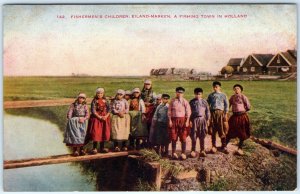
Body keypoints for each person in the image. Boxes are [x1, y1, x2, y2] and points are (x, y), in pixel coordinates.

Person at [226, 84, 251, 156]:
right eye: (235, 89)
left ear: (241, 90)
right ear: (234, 90)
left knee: (242, 132)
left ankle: (240, 148)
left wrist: (243, 111)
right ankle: (224, 146)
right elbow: (228, 105)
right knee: (230, 130)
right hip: (234, 116)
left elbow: (248, 106)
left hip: (242, 116)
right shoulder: (232, 97)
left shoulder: (243, 97)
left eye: (238, 89)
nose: (236, 90)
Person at [168, 87, 191, 160]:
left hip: (182, 120)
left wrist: (187, 121)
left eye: (181, 93)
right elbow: (169, 112)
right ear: (176, 93)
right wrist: (170, 120)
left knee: (183, 136)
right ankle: (173, 153)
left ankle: (183, 153)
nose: (179, 94)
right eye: (178, 92)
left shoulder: (185, 101)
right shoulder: (172, 101)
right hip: (174, 120)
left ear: (183, 94)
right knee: (173, 136)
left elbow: (188, 112)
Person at [85, 88, 111, 154]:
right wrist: (99, 117)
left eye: (101, 93)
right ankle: (95, 148)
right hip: (96, 118)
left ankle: (102, 147)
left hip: (104, 118)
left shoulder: (106, 100)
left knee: (103, 132)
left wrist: (106, 116)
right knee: (96, 132)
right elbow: (93, 110)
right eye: (98, 93)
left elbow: (109, 109)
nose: (99, 94)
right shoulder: (94, 101)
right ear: (96, 94)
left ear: (103, 94)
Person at [207, 81, 229, 154]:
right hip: (212, 113)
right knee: (213, 129)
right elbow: (207, 104)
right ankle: (214, 146)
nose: (215, 88)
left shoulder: (223, 95)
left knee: (221, 129)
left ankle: (224, 146)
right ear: (213, 87)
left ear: (220, 87)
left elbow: (226, 105)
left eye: (217, 87)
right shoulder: (210, 95)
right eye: (214, 87)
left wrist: (225, 113)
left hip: (221, 113)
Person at [189, 88, 210, 158]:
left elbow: (207, 111)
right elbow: (189, 112)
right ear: (194, 94)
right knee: (194, 136)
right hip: (194, 119)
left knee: (202, 135)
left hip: (202, 119)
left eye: (199, 94)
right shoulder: (192, 102)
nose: (198, 95)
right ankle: (193, 150)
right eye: (196, 94)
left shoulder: (204, 102)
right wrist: (190, 120)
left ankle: (202, 150)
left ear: (201, 94)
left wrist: (208, 120)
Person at [141, 79, 156, 147]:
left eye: (148, 84)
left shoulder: (153, 93)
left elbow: (155, 101)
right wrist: (144, 103)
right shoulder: (141, 93)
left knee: (149, 125)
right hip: (143, 109)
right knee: (143, 126)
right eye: (146, 84)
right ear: (144, 85)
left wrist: (149, 103)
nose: (147, 85)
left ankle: (150, 141)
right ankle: (143, 141)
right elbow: (140, 100)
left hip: (150, 110)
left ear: (151, 85)